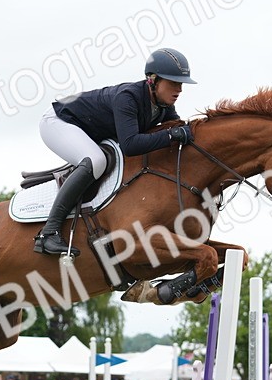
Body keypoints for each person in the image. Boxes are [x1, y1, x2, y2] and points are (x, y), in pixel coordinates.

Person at [34, 47, 197, 257]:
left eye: (181, 83)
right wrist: (173, 136)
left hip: (86, 130)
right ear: (153, 80)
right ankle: (49, 232)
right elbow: (130, 145)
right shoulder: (128, 97)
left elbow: (176, 128)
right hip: (58, 122)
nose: (180, 89)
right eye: (173, 83)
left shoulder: (163, 106)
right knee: (96, 160)